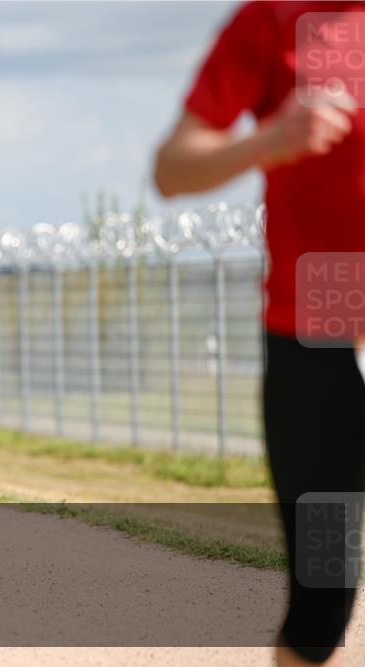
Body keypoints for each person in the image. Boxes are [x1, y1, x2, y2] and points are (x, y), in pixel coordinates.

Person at [154, 3, 365, 665]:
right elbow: (173, 168)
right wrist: (271, 138)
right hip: (316, 339)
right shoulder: (273, 20)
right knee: (322, 599)